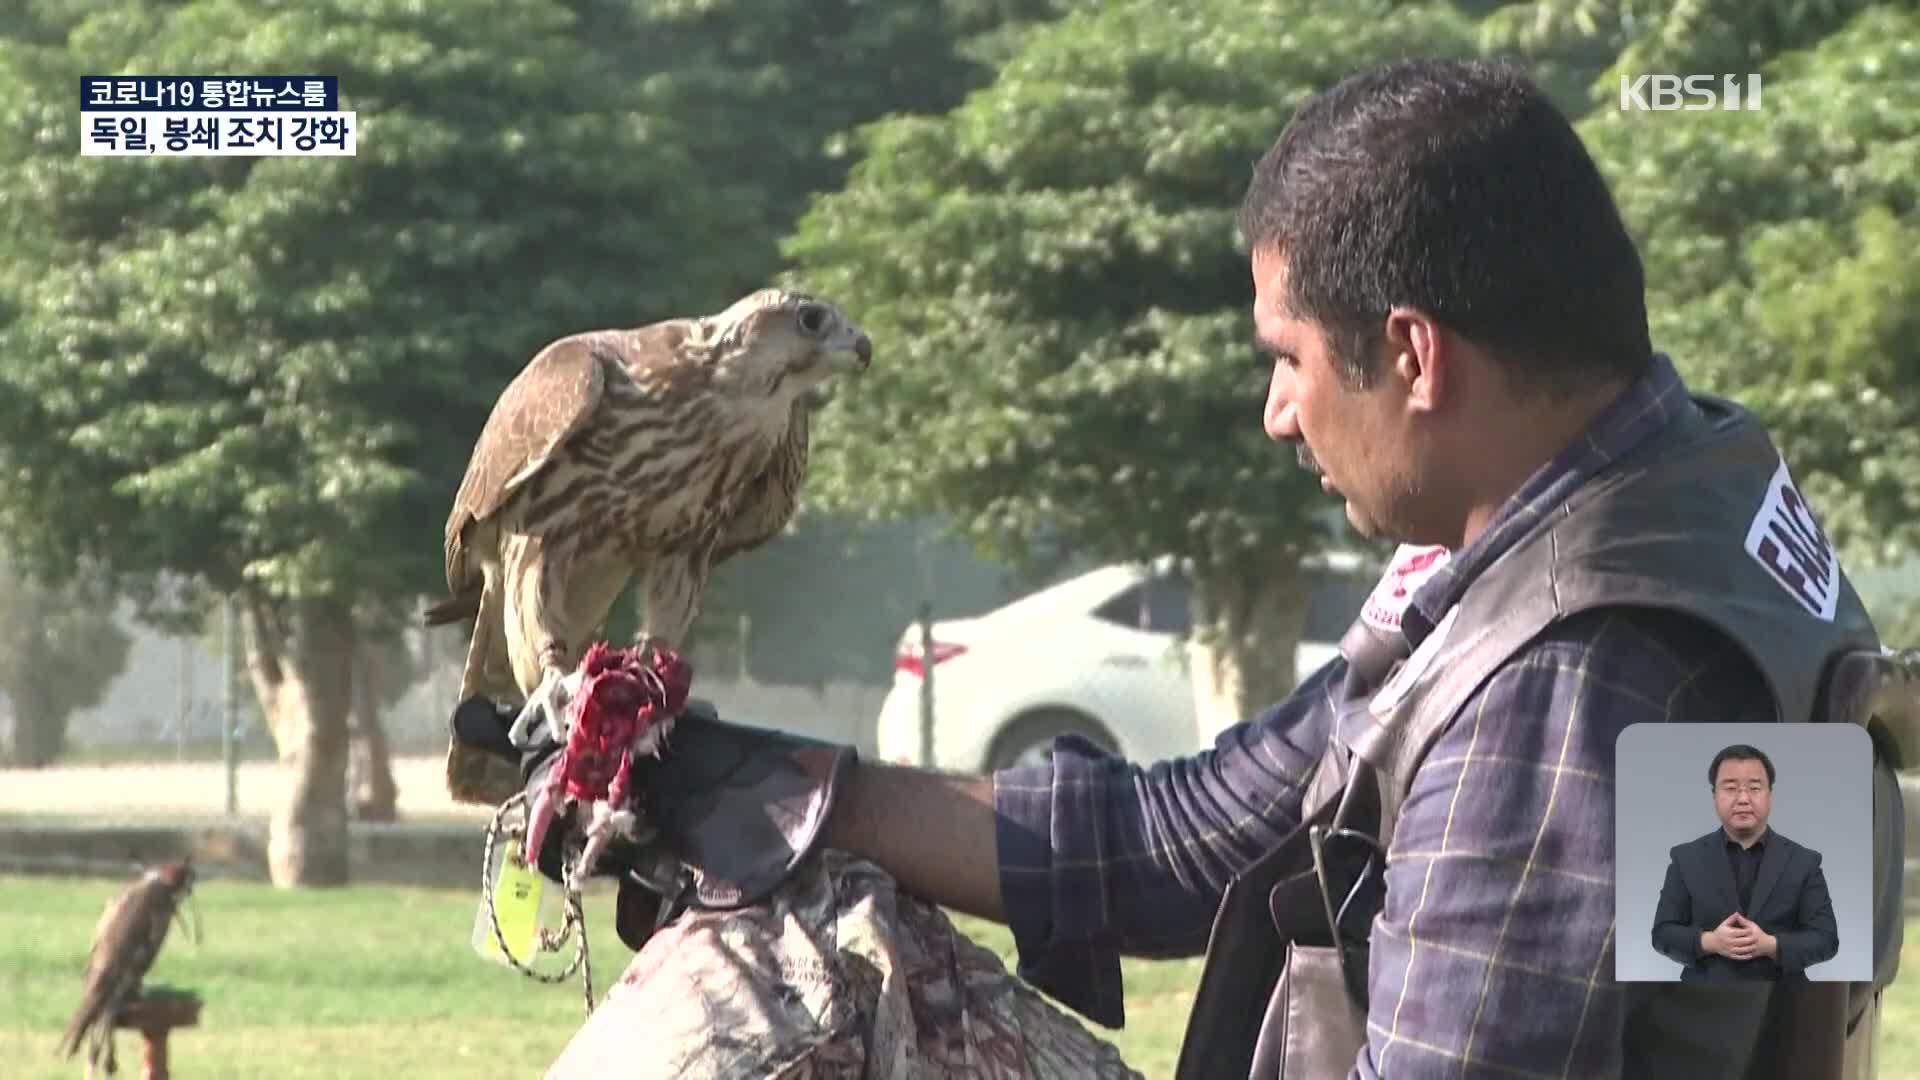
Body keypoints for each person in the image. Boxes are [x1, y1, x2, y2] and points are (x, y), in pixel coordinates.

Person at [451, 57, 1909, 1080]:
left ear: (1412, 355)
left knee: (776, 977)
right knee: (804, 913)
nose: (1277, 411)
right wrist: (747, 785)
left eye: (1286, 361)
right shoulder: (1683, 504)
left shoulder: (1575, 682)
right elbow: (1184, 843)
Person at [1651, 744, 1840, 983]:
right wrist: (1710, 942)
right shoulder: (1685, 858)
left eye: (1754, 788)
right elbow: (1662, 933)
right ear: (1714, 796)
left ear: (1769, 795)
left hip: (1784, 1000)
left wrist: (1770, 945)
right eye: (1730, 788)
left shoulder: (1804, 862)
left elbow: (1826, 939)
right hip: (1700, 1000)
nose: (1743, 798)